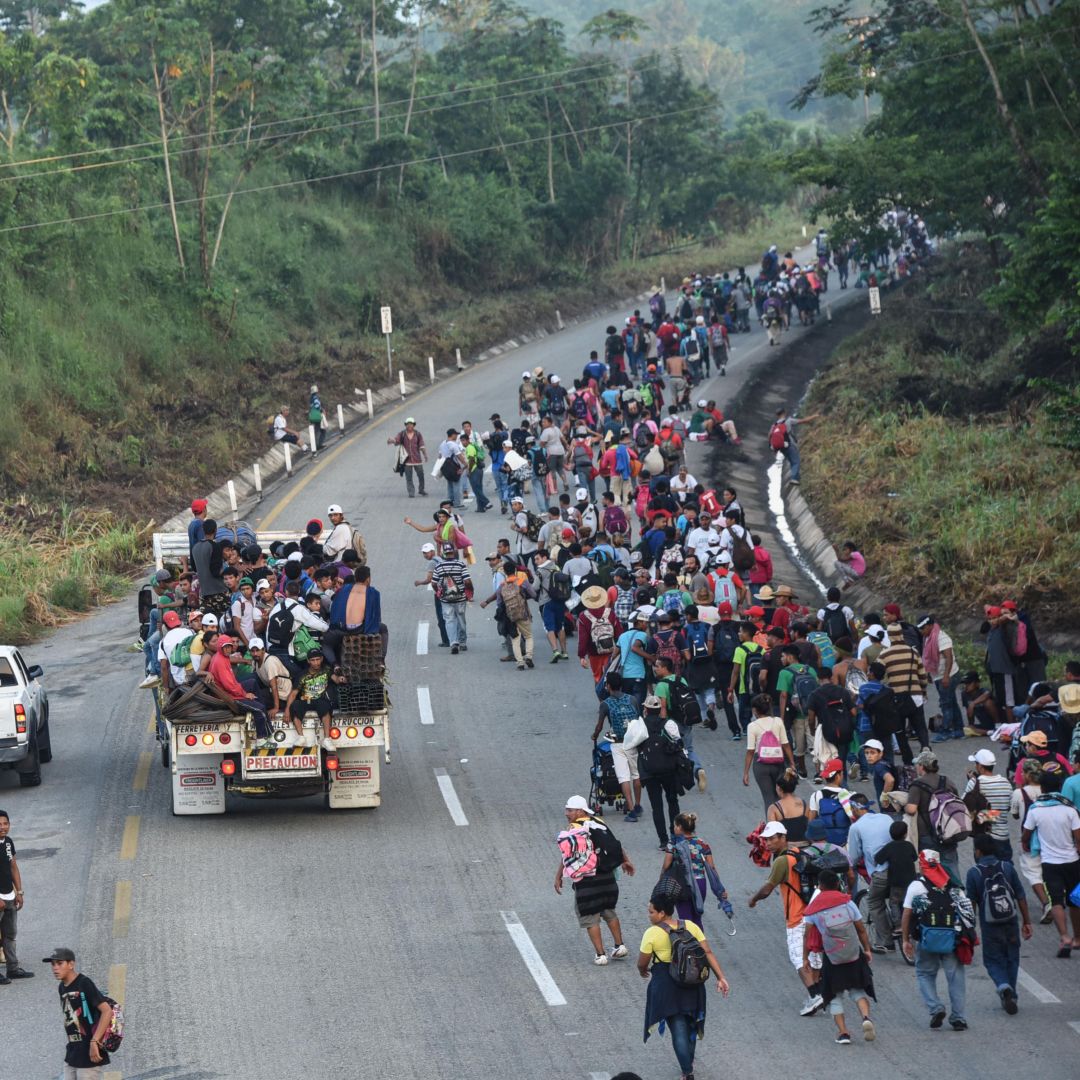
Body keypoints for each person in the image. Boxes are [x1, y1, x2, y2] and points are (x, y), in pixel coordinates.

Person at [638, 889, 729, 1080]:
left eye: (651, 912)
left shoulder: (652, 933)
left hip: (667, 984)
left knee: (677, 1027)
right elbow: (708, 952)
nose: (649, 915)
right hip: (693, 982)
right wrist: (721, 977)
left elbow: (642, 963)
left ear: (662, 913)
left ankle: (687, 1072)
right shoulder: (690, 926)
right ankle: (688, 1061)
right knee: (691, 1024)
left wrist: (643, 971)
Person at [749, 821, 825, 1016]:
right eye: (766, 839)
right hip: (813, 915)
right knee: (814, 957)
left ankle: (815, 996)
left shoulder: (782, 861)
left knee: (798, 959)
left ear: (783, 837)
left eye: (772, 839)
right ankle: (820, 994)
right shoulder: (798, 854)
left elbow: (767, 889)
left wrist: (754, 899)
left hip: (796, 917)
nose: (768, 843)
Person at [555, 795, 635, 965]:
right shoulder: (598, 821)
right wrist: (625, 861)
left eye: (570, 810)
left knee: (590, 916)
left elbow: (568, 855)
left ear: (580, 811)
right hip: (607, 876)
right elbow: (615, 844)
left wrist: (558, 876)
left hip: (587, 880)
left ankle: (601, 955)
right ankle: (619, 946)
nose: (566, 813)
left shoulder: (574, 828)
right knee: (609, 911)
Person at [802, 869, 877, 1044]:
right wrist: (867, 949)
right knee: (857, 990)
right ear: (837, 884)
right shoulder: (847, 902)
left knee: (834, 996)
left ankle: (844, 1033)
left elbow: (807, 936)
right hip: (853, 953)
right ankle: (866, 1017)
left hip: (832, 957)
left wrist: (805, 957)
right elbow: (860, 929)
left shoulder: (813, 909)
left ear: (819, 886)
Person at [902, 849, 972, 1030]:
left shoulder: (917, 886)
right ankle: (958, 1018)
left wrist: (905, 939)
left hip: (927, 939)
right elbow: (966, 911)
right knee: (955, 977)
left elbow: (907, 913)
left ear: (922, 865)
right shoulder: (953, 883)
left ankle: (935, 1007)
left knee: (924, 973)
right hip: (952, 938)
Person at [964, 832, 1033, 1014]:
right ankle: (1012, 992)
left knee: (993, 959)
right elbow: (1020, 896)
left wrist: (970, 927)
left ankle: (1003, 986)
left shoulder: (974, 873)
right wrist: (1026, 921)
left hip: (990, 925)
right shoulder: (1007, 867)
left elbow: (970, 903)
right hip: (1010, 921)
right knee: (1012, 956)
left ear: (978, 852)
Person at [1021, 769, 1080, 957]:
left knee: (1056, 901)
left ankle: (1064, 937)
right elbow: (1079, 838)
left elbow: (1026, 834)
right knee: (1075, 901)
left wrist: (1027, 844)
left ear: (1043, 788)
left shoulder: (1036, 810)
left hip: (1049, 863)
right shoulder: (1070, 809)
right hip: (1072, 861)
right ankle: (1078, 937)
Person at [44, 946, 114, 1075]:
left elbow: (107, 1011)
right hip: (73, 1050)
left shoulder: (84, 983)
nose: (55, 968)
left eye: (59, 963)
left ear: (71, 964)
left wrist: (95, 1042)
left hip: (89, 1051)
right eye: (53, 964)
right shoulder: (62, 987)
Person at [846, 796, 898, 951]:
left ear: (855, 809)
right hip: (900, 867)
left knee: (874, 902)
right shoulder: (885, 817)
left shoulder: (856, 827)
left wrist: (851, 866)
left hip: (881, 871)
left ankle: (887, 941)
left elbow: (853, 856)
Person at [593, 671, 644, 822]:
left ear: (608, 686)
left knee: (623, 777)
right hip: (634, 742)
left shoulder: (605, 704)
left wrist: (594, 736)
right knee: (636, 774)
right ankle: (638, 804)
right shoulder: (632, 699)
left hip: (617, 743)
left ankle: (631, 808)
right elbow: (639, 719)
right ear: (621, 685)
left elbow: (600, 726)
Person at [905, 749, 962, 875]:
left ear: (922, 766)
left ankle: (935, 893)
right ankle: (957, 891)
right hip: (948, 831)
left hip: (927, 834)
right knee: (951, 865)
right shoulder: (947, 781)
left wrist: (904, 805)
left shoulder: (917, 784)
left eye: (917, 765)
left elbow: (912, 809)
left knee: (931, 869)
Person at [637, 696, 683, 850]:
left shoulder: (640, 725)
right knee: (673, 801)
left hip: (649, 770)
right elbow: (678, 742)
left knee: (656, 806)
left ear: (646, 709)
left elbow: (631, 744)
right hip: (669, 768)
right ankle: (675, 837)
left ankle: (663, 841)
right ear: (659, 709)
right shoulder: (669, 724)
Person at [744, 693, 796, 812]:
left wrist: (746, 773)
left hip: (760, 764)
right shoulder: (777, 721)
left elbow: (750, 751)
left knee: (768, 798)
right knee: (780, 795)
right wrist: (792, 762)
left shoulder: (752, 726)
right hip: (778, 763)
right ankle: (784, 820)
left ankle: (772, 825)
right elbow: (786, 744)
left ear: (755, 710)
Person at [963, 747, 1013, 860]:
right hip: (1004, 837)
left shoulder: (975, 783)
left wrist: (972, 783)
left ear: (980, 766)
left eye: (976, 763)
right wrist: (995, 813)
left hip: (985, 838)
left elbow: (965, 806)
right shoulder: (1006, 783)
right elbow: (1007, 808)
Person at [918, 615, 963, 741]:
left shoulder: (941, 637)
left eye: (923, 628)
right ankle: (959, 729)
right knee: (951, 702)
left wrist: (946, 676)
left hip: (948, 675)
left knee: (946, 704)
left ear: (930, 625)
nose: (921, 631)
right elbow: (928, 658)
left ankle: (946, 731)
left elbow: (949, 657)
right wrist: (930, 674)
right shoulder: (928, 638)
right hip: (938, 675)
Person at [0, 810, 32, 985]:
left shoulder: (8, 843)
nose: (3, 827)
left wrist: (19, 892)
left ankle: (12, 969)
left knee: (10, 934)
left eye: (5, 823)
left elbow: (13, 866)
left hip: (9, 895)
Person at [430, 542, 469, 653]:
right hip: (460, 597)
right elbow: (467, 581)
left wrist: (438, 592)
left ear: (443, 553)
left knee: (449, 620)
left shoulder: (439, 566)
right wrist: (470, 591)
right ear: (454, 552)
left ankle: (453, 643)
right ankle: (462, 642)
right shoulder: (460, 565)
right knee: (461, 619)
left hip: (445, 599)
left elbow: (433, 583)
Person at [767, 768, 809, 845]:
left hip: (785, 850)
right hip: (804, 847)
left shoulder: (774, 809)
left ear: (779, 788)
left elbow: (773, 834)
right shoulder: (804, 804)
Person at [387, 417, 427, 497]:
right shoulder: (402, 434)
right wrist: (391, 440)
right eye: (408, 424)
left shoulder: (418, 434)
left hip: (417, 459)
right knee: (409, 478)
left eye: (411, 424)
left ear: (414, 425)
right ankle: (411, 492)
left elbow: (422, 445)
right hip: (407, 460)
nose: (409, 426)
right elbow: (396, 440)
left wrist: (425, 455)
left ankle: (421, 489)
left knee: (421, 476)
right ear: (405, 425)